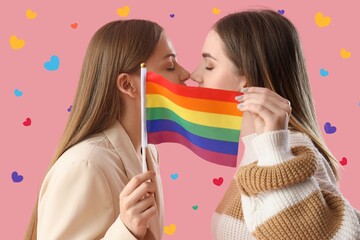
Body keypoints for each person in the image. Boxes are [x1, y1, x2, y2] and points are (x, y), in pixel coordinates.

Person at [191, 9, 360, 239]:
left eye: (209, 66)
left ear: (246, 78)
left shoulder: (289, 149)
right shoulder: (258, 149)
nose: (195, 75)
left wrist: (274, 149)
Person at [25, 19, 189, 240]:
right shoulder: (85, 166)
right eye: (169, 66)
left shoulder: (148, 153)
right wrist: (126, 231)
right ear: (128, 85)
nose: (186, 74)